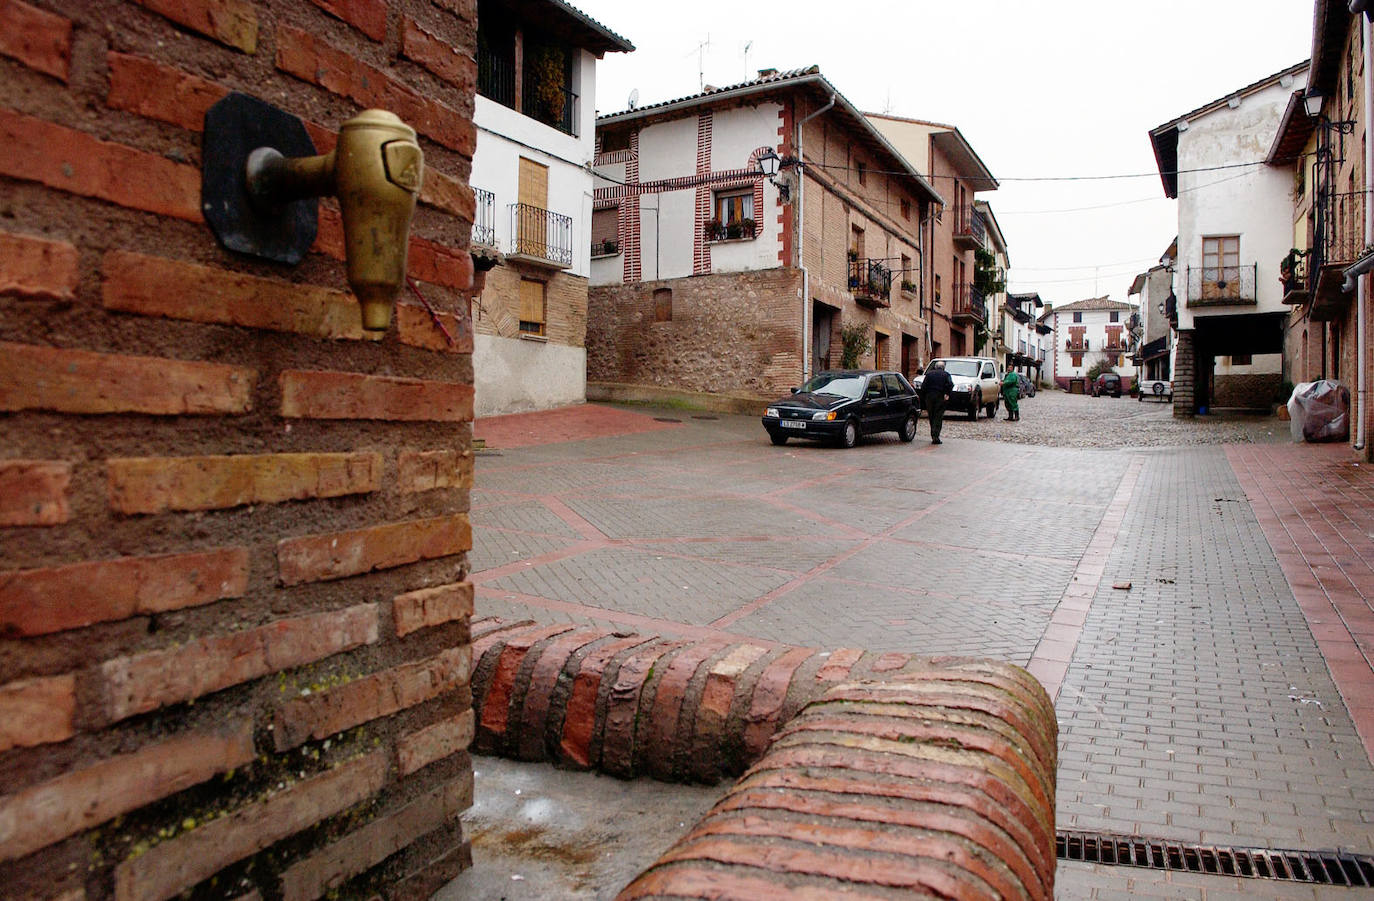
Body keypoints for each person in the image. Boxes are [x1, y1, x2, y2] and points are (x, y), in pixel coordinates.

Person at [921, 360, 954, 444]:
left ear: (935, 367)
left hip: (929, 397)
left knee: (931, 415)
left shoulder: (929, 374)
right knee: (938, 416)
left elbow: (923, 386)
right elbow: (950, 384)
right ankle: (936, 436)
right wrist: (947, 393)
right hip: (940, 396)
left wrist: (924, 396)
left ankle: (933, 434)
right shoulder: (946, 374)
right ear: (943, 367)